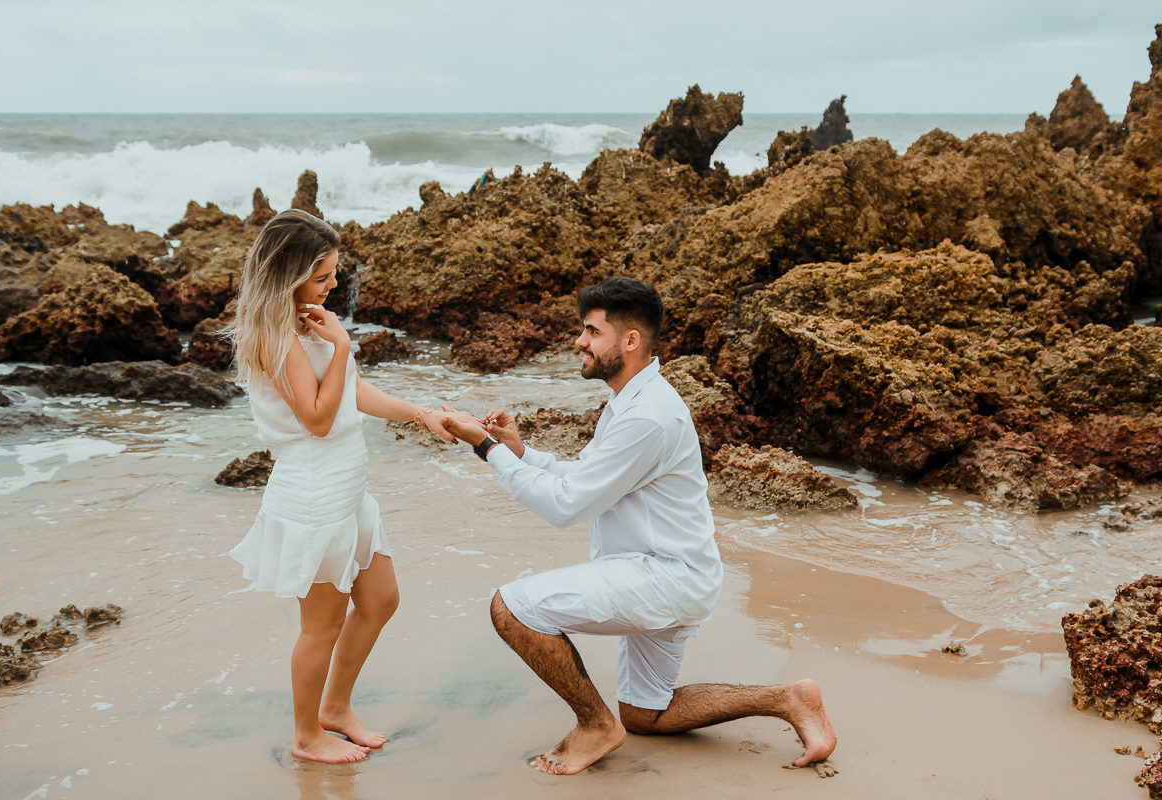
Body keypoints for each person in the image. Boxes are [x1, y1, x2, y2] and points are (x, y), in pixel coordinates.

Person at [442, 277, 836, 776]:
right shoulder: (631, 400)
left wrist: (486, 448)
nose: (579, 342)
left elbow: (566, 505)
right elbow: (583, 478)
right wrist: (520, 452)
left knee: (512, 609)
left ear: (629, 341)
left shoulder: (647, 415)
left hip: (662, 576)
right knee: (648, 713)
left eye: (591, 331)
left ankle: (595, 727)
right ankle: (788, 699)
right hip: (670, 573)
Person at [225, 209, 456, 764]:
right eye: (324, 276)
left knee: (380, 599)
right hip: (313, 495)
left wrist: (421, 413)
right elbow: (319, 418)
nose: (333, 286)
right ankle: (306, 736)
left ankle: (335, 707)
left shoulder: (309, 323)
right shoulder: (277, 338)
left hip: (347, 489)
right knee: (321, 626)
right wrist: (345, 345)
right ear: (290, 275)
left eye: (334, 275)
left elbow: (351, 391)